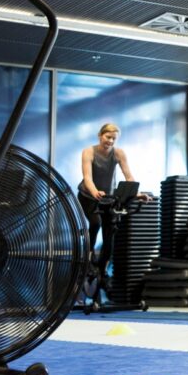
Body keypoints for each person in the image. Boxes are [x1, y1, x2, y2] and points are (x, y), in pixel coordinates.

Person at [77, 122, 142, 287]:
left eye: (114, 139)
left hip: (107, 198)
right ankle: (89, 254)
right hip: (88, 196)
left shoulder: (119, 153)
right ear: (100, 136)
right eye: (108, 137)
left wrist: (137, 194)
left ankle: (103, 269)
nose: (110, 141)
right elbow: (88, 178)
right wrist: (95, 192)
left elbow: (129, 177)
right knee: (95, 223)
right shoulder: (88, 152)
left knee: (109, 232)